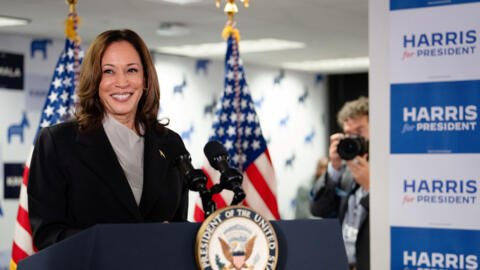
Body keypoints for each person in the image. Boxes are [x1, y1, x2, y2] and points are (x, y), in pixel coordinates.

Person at [28, 29, 189, 250]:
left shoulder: (170, 143)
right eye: (108, 71)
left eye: (131, 70)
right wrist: (120, 242)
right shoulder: (58, 142)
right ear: (94, 80)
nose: (121, 82)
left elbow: (178, 224)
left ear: (145, 79)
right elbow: (47, 235)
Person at [310, 96, 370, 270]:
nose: (353, 139)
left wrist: (370, 188)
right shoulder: (344, 171)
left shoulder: (389, 169)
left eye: (359, 132)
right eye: (348, 134)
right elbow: (318, 209)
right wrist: (334, 168)